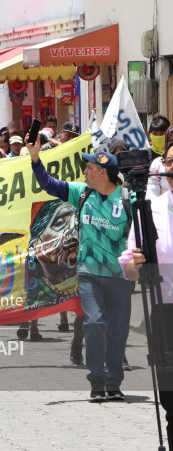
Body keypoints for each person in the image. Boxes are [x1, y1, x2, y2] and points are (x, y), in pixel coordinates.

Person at [28, 139, 133, 401]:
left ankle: (114, 383)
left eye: (89, 168)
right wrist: (35, 159)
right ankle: (97, 381)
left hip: (120, 277)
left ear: (102, 172)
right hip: (89, 275)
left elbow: (141, 234)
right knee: (95, 322)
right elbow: (49, 184)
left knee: (118, 330)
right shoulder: (81, 193)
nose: (84, 172)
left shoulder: (127, 199)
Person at [120, 140, 173, 443]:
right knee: (171, 404)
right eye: (170, 161)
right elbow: (129, 268)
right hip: (165, 314)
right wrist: (136, 265)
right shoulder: (150, 210)